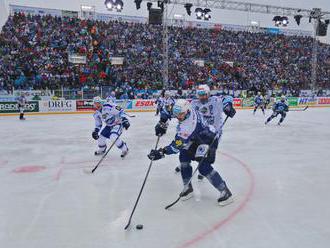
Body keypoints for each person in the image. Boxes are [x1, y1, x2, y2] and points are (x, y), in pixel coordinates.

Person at [148, 99, 233, 206]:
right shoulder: (180, 109)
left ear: (187, 111)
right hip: (194, 138)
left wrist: (161, 152)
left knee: (204, 167)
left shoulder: (189, 125)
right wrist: (162, 122)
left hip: (207, 139)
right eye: (176, 114)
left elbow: (176, 146)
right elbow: (165, 111)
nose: (178, 117)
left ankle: (225, 191)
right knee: (183, 157)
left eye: (181, 114)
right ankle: (188, 187)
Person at [175, 85, 236, 180]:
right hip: (199, 132)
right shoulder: (194, 103)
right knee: (187, 148)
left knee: (205, 153)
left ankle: (202, 168)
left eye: (204, 94)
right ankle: (184, 163)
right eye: (200, 95)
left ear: (208, 93)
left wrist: (228, 106)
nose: (202, 97)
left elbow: (228, 97)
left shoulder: (216, 100)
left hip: (214, 133)